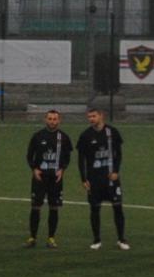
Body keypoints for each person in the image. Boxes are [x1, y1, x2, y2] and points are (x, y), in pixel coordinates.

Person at [77, 107, 127, 250]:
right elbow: (81, 159)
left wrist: (116, 171)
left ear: (101, 116)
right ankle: (96, 240)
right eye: (89, 117)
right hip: (94, 179)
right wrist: (83, 178)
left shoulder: (112, 132)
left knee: (118, 208)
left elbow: (119, 154)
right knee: (94, 209)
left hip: (111, 178)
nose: (91, 119)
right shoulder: (85, 135)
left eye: (93, 116)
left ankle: (121, 239)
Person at [23, 108, 71, 248]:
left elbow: (67, 157)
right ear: (45, 119)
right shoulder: (38, 136)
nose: (52, 121)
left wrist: (62, 169)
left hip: (55, 179)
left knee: (54, 207)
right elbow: (29, 155)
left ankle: (51, 238)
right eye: (50, 119)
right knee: (36, 207)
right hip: (40, 178)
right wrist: (34, 169)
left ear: (59, 120)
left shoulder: (63, 137)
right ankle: (32, 237)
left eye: (55, 119)